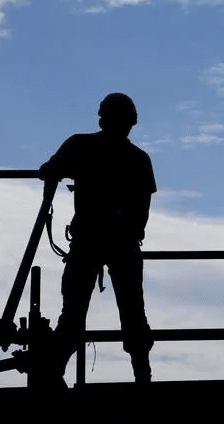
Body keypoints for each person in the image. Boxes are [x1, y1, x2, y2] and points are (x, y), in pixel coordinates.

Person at [38, 93, 157, 383]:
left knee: (76, 313)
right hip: (118, 244)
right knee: (130, 312)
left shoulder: (81, 146)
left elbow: (50, 169)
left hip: (92, 242)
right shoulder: (137, 158)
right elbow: (142, 211)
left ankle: (54, 374)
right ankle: (142, 375)